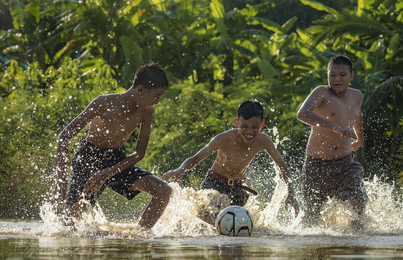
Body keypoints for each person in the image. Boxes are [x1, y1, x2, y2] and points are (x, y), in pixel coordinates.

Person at [52, 62, 172, 230]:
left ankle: (139, 236)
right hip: (89, 159)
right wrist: (60, 182)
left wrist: (106, 173)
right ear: (140, 90)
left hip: (117, 161)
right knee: (69, 227)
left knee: (163, 191)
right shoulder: (103, 102)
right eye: (156, 96)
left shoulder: (147, 111)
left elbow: (139, 153)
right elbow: (64, 136)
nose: (157, 102)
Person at [162, 100, 299, 225]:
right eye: (244, 126)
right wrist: (180, 169)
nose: (249, 132)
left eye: (255, 127)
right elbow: (196, 158)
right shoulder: (223, 139)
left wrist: (291, 193)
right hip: (214, 184)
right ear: (236, 123)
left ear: (262, 124)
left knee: (238, 227)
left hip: (238, 188)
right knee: (208, 224)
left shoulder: (264, 141)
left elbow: (282, 165)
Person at [297, 55, 367, 228]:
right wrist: (334, 126)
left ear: (351, 76)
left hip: (345, 162)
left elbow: (357, 116)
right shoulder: (321, 92)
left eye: (342, 75)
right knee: (312, 218)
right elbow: (302, 114)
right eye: (332, 75)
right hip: (316, 164)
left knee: (358, 201)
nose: (336, 79)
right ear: (327, 76)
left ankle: (356, 242)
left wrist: (360, 139)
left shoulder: (357, 96)